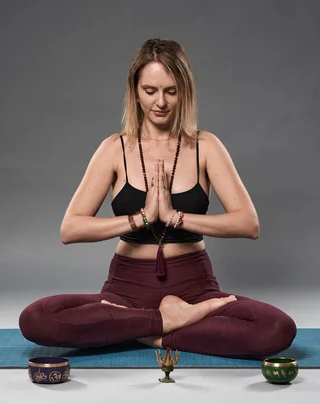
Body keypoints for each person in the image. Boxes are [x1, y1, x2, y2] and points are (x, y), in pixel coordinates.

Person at [19, 38, 296, 359]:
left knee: (276, 328)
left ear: (185, 91)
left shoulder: (206, 146)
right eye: (150, 91)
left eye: (171, 91)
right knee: (38, 318)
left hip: (195, 287)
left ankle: (141, 332)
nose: (160, 102)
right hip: (125, 290)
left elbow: (249, 224)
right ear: (135, 92)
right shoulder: (114, 148)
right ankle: (165, 323)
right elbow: (70, 229)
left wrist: (175, 216)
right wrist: (143, 217)